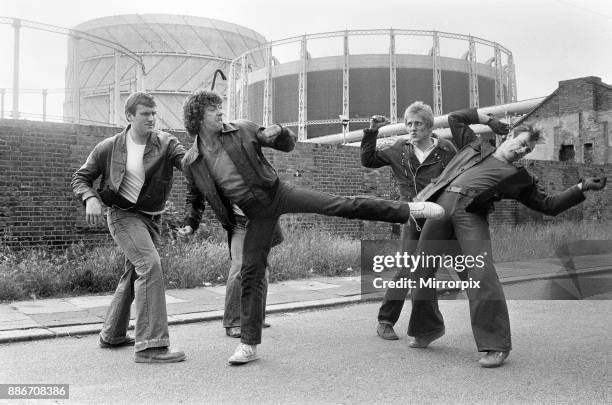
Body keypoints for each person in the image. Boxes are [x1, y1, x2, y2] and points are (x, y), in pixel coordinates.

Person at [177, 90, 445, 365]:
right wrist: (190, 223)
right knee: (250, 274)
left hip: (277, 193)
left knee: (341, 205)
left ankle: (410, 209)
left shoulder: (241, 129)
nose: (220, 112)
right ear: (197, 118)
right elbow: (194, 199)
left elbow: (286, 144)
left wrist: (279, 132)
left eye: (220, 107)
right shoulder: (192, 161)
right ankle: (248, 344)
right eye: (213, 109)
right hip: (254, 216)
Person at [403, 107, 606, 368]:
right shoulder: (474, 146)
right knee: (421, 271)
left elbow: (548, 204)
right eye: (521, 144)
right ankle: (427, 329)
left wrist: (581, 187)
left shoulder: (519, 178)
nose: (522, 151)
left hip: (469, 216)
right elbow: (456, 118)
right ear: (509, 136)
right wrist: (490, 121)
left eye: (527, 150)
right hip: (439, 209)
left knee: (481, 275)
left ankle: (495, 345)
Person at [71, 92, 187, 363]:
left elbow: (188, 164)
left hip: (152, 218)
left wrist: (202, 151)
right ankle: (151, 347)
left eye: (153, 113)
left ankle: (112, 334)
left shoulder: (166, 143)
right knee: (150, 266)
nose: (151, 118)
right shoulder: (109, 147)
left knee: (134, 272)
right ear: (130, 116)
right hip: (123, 215)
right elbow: (81, 178)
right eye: (145, 113)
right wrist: (90, 198)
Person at [360, 101, 457, 341]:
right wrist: (372, 130)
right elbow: (368, 160)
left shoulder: (446, 150)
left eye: (418, 124)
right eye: (409, 124)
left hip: (440, 219)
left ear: (429, 126)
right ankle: (386, 320)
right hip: (413, 217)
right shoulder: (399, 149)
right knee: (407, 269)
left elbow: (459, 178)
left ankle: (428, 329)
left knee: (431, 271)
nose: (412, 129)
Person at [223, 215, 282, 338]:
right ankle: (233, 322)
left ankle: (257, 319)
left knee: (262, 269)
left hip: (261, 221)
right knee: (239, 268)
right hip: (239, 223)